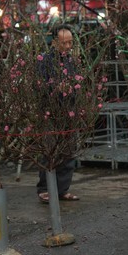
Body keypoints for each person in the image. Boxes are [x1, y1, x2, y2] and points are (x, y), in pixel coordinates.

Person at [35, 25, 80, 203]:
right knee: (49, 152)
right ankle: (45, 189)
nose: (68, 46)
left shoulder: (72, 61)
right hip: (50, 111)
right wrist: (55, 88)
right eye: (64, 43)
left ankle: (62, 189)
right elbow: (38, 86)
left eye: (70, 42)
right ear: (54, 42)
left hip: (69, 110)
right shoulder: (44, 61)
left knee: (68, 151)